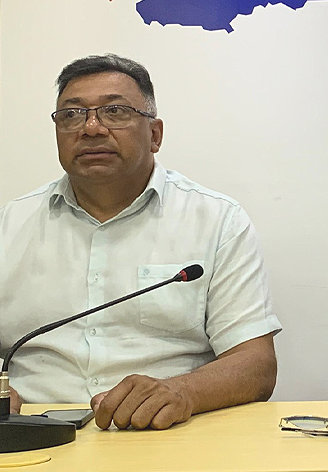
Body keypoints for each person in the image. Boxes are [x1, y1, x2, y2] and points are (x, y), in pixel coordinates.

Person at [0, 54, 282, 430]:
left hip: (167, 431)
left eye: (114, 111)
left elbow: (256, 364)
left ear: (155, 135)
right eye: (72, 115)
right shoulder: (10, 224)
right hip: (32, 432)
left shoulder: (216, 221)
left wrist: (182, 392)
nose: (91, 128)